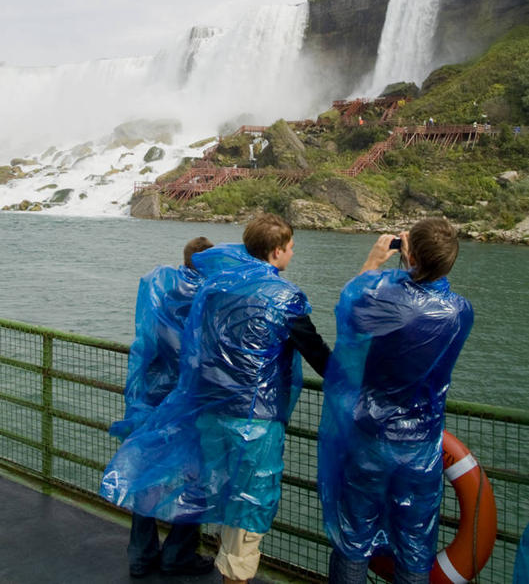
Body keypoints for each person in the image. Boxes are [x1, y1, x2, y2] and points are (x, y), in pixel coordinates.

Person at [101, 214, 330, 584]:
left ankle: (158, 557)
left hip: (207, 411)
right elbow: (319, 356)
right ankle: (215, 569)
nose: (292, 253)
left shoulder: (214, 290)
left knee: (211, 489)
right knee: (246, 514)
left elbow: (194, 349)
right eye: (290, 247)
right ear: (277, 251)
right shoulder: (285, 297)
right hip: (254, 422)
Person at [319, 218, 474, 584]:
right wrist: (414, 262)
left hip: (370, 438)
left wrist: (374, 260)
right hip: (421, 446)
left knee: (354, 535)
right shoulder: (459, 312)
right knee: (415, 543)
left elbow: (348, 306)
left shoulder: (381, 298)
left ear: (411, 254)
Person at [110, 236, 214, 578]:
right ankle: (178, 554)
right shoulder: (210, 297)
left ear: (184, 260)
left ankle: (142, 556)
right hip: (190, 406)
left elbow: (148, 346)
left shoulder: (162, 295)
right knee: (195, 479)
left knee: (146, 479)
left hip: (152, 402)